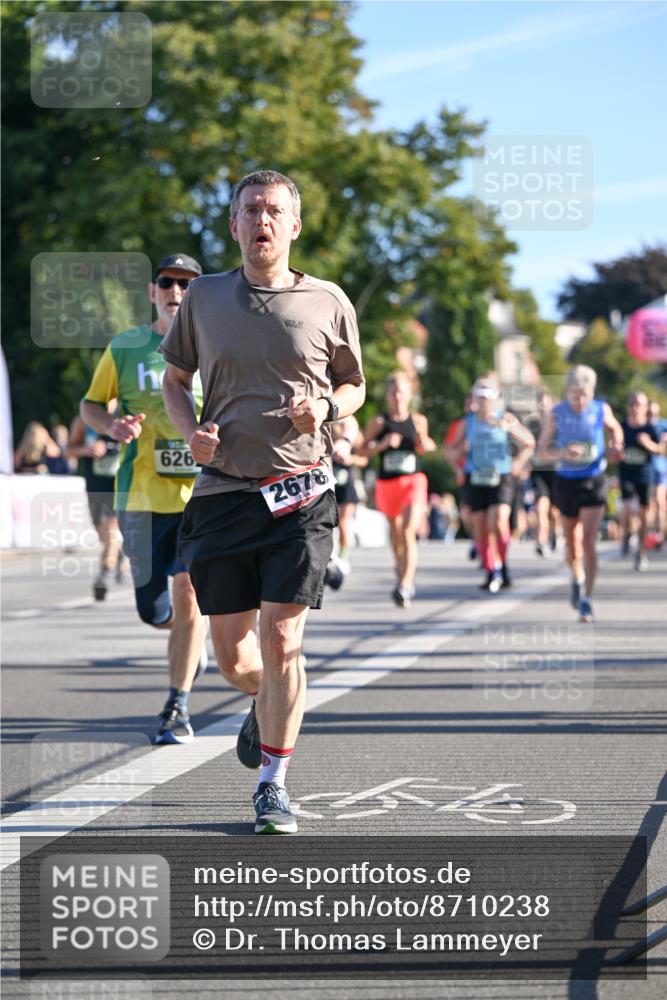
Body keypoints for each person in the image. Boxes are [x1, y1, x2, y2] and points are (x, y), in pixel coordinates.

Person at [159, 170, 365, 835]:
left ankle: (273, 783)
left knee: (281, 642)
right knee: (233, 659)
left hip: (300, 493)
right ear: (233, 225)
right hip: (223, 494)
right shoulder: (205, 298)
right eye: (250, 210)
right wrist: (191, 433)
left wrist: (329, 408)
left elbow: (354, 386)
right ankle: (265, 704)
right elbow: (174, 379)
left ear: (294, 226)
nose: (262, 220)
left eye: (274, 210)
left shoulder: (327, 300)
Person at [80, 252, 207, 743]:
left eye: (188, 284)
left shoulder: (216, 349)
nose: (177, 291)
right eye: (168, 282)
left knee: (189, 594)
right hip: (138, 496)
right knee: (155, 611)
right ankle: (186, 641)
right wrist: (111, 424)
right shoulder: (126, 347)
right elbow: (90, 404)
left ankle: (177, 705)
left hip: (200, 496)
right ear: (153, 291)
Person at [537, 365, 623, 623]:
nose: (580, 400)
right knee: (572, 545)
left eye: (584, 395)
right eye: (575, 395)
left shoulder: (600, 409)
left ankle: (587, 599)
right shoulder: (557, 413)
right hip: (566, 481)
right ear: (567, 392)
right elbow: (543, 450)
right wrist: (562, 453)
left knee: (588, 541)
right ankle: (576, 578)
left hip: (594, 479)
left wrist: (615, 444)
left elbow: (615, 430)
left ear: (591, 392)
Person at [446, 374, 534, 593]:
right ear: (476, 398)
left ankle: (503, 565)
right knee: (481, 526)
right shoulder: (468, 422)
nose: (484, 401)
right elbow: (448, 450)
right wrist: (458, 460)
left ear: (495, 398)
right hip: (475, 476)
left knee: (499, 520)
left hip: (501, 475)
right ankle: (490, 570)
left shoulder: (505, 418)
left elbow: (529, 442)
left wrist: (517, 459)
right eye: (481, 396)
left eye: (488, 396)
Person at [360, 371, 435, 607]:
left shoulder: (419, 421)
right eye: (393, 392)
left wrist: (425, 444)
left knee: (408, 532)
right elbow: (361, 450)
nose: (398, 396)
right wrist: (381, 445)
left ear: (410, 394)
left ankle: (405, 584)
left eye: (401, 392)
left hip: (413, 481)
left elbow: (428, 444)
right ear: (388, 396)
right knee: (396, 534)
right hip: (387, 483)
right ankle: (401, 568)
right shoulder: (379, 422)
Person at [66, 413, 127, 599]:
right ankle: (118, 553)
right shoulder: (84, 419)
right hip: (95, 486)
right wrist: (86, 449)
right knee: (102, 533)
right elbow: (68, 450)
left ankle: (104, 575)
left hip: (120, 484)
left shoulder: (127, 414)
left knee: (110, 530)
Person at [618, 391, 662, 571]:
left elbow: (660, 450)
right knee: (627, 507)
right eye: (633, 404)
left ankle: (641, 552)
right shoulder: (622, 426)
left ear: (645, 408)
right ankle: (627, 534)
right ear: (629, 407)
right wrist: (615, 451)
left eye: (640, 404)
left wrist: (647, 444)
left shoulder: (650, 428)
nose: (636, 407)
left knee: (644, 514)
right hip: (626, 473)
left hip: (645, 474)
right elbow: (613, 448)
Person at [328, 414, 367, 581]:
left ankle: (343, 557)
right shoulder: (326, 428)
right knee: (329, 523)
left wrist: (349, 458)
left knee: (344, 523)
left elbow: (364, 459)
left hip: (346, 483)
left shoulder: (354, 435)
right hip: (329, 481)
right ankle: (332, 556)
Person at [529, 391, 561, 557]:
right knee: (541, 507)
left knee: (553, 511)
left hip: (555, 471)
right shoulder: (532, 424)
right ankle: (540, 542)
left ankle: (553, 532)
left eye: (545, 402)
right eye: (539, 402)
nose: (542, 406)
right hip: (538, 472)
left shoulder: (558, 424)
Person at [648, 399, 667, 547]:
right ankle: (652, 533)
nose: (652, 416)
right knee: (649, 504)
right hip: (646, 469)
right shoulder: (643, 425)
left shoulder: (663, 425)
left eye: (654, 413)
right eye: (649, 413)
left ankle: (660, 532)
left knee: (660, 500)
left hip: (660, 469)